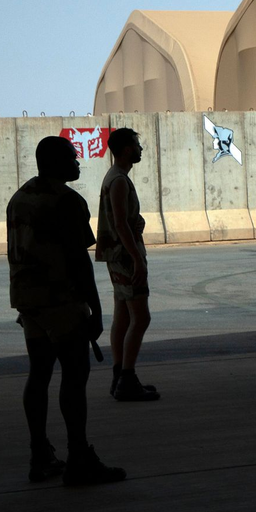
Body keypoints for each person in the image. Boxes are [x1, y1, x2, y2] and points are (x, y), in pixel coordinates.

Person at [7, 136, 125, 485]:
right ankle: (78, 458)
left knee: (39, 374)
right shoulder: (67, 201)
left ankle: (40, 453)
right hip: (60, 301)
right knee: (74, 376)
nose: (78, 163)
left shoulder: (20, 197)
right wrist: (96, 310)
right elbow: (79, 260)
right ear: (57, 162)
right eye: (72, 158)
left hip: (28, 301)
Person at [95, 127, 159, 402]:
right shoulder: (119, 180)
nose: (140, 149)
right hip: (124, 256)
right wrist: (136, 258)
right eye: (136, 145)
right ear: (125, 150)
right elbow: (120, 223)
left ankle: (119, 374)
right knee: (141, 317)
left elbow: (122, 220)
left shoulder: (114, 178)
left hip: (116, 255)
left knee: (122, 316)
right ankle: (127, 378)